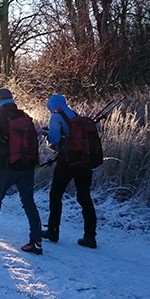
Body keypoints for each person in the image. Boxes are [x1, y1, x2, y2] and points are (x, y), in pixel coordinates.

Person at [0, 88, 43, 255]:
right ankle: (36, 241)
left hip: (7, 165)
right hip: (27, 166)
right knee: (29, 202)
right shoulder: (24, 115)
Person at [42, 94, 98, 248]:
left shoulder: (56, 117)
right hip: (84, 162)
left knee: (55, 194)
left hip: (67, 162)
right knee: (84, 198)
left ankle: (53, 231)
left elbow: (54, 140)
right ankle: (90, 236)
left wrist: (47, 135)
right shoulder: (75, 115)